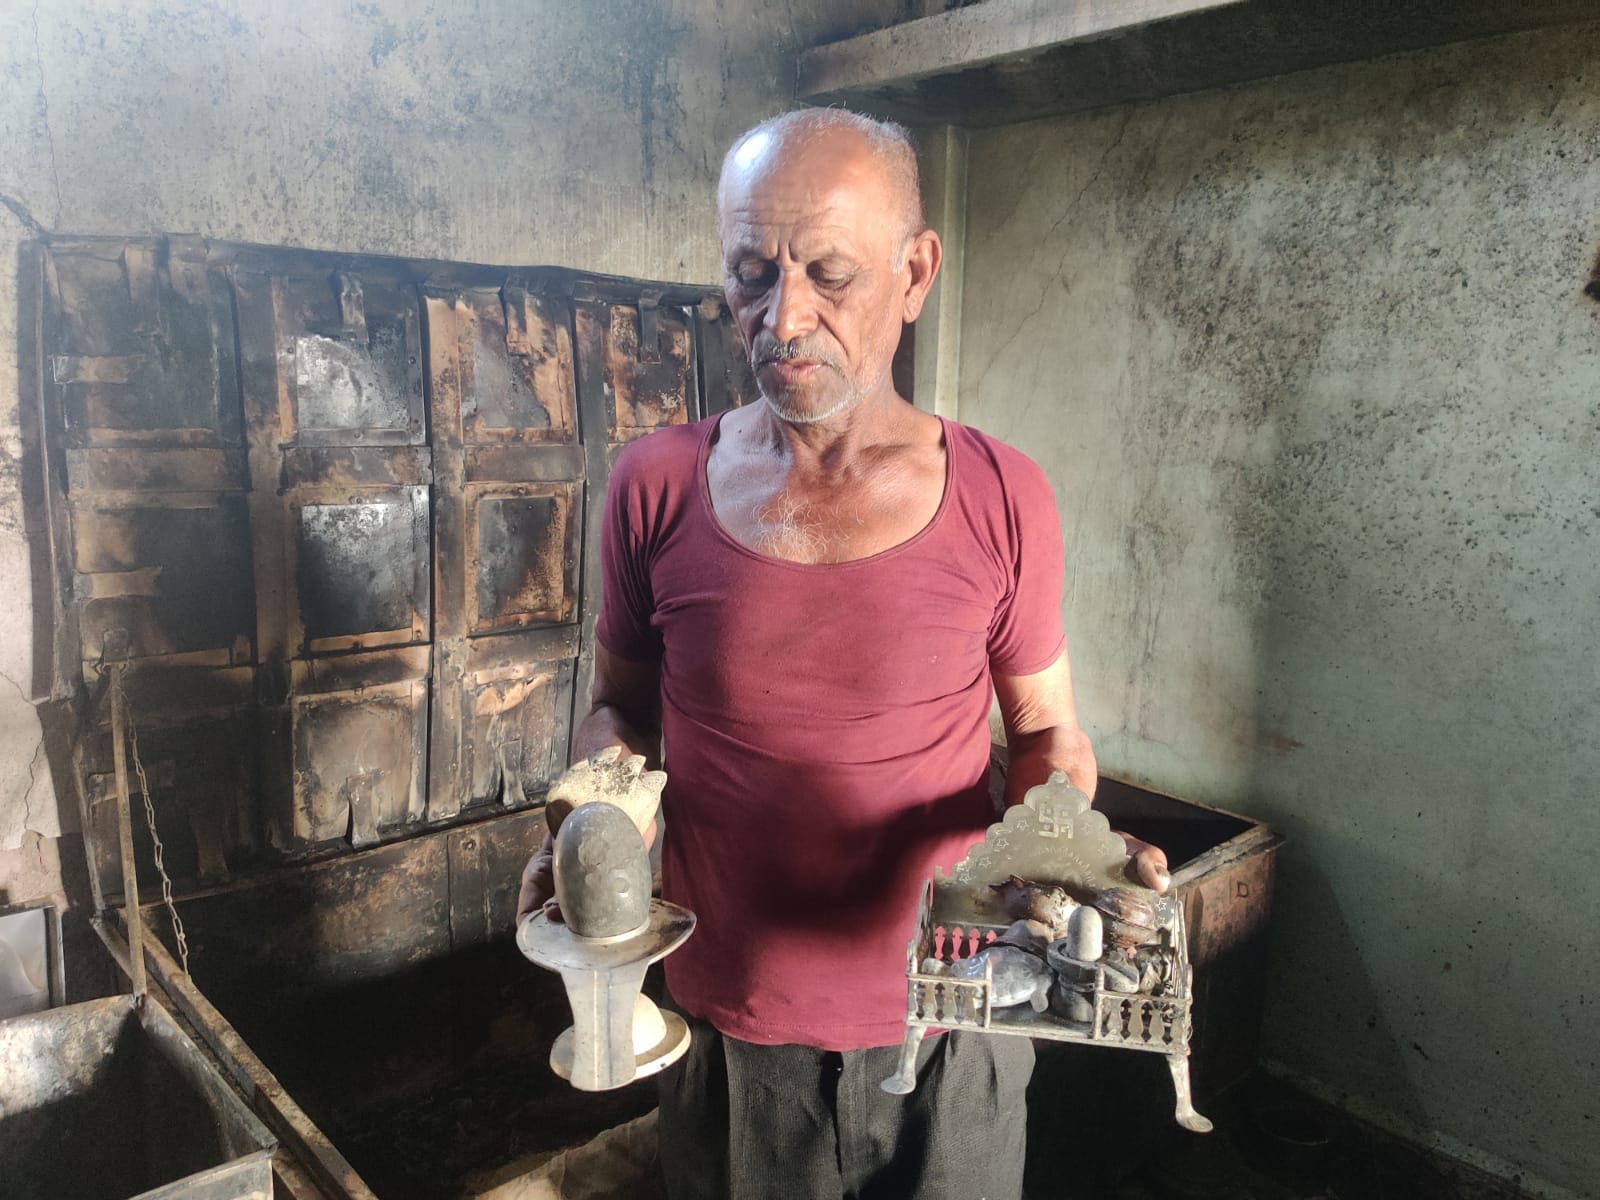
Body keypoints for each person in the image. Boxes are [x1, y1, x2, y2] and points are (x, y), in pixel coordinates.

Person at [517, 108, 1169, 1200]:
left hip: (955, 1017)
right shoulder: (655, 486)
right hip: (730, 1024)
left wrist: (1054, 844)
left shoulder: (1004, 495)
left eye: (830, 273)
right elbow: (619, 714)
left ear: (915, 273)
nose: (785, 320)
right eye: (750, 274)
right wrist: (591, 824)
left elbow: (1047, 732)